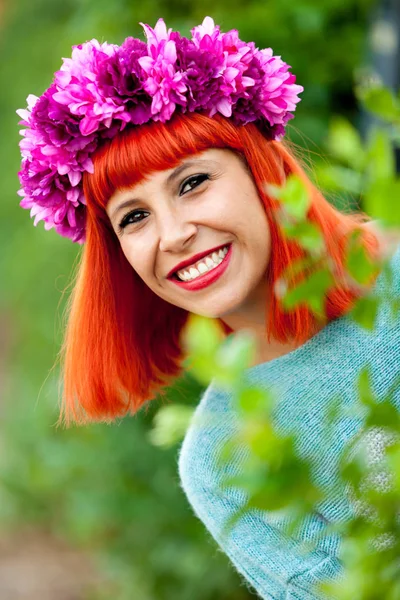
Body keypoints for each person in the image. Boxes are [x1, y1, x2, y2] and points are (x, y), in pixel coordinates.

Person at [17, 17, 400, 599]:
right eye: (134, 217)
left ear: (261, 170)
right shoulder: (222, 464)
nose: (172, 234)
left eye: (192, 182)